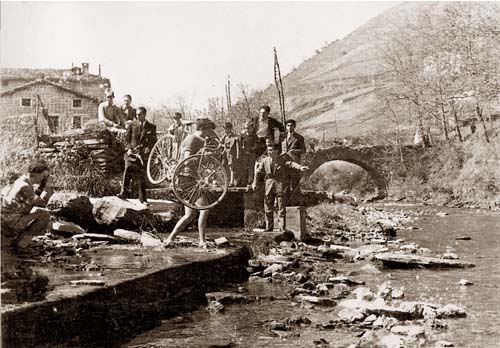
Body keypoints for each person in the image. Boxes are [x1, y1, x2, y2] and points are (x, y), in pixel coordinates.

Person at [164, 118, 215, 248]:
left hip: (189, 178)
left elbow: (197, 161)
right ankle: (202, 241)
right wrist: (201, 155)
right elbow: (186, 161)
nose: (210, 132)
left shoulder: (198, 140)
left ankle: (169, 239)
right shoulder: (192, 140)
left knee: (190, 214)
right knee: (204, 208)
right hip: (185, 178)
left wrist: (204, 157)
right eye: (209, 129)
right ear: (203, 128)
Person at [251, 140, 308, 232]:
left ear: (276, 151)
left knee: (281, 208)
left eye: (271, 150)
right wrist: (255, 183)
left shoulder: (282, 159)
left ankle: (282, 228)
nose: (269, 152)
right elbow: (258, 173)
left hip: (280, 185)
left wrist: (300, 167)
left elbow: (291, 164)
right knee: (268, 207)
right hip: (268, 185)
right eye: (268, 150)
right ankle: (268, 228)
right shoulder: (265, 160)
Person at [1, 161, 54, 252]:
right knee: (44, 215)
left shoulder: (20, 181)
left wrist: (41, 187)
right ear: (36, 174)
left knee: (35, 210)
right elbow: (43, 203)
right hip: (10, 223)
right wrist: (47, 187)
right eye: (44, 176)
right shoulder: (25, 187)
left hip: (5, 218)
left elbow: (33, 197)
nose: (44, 178)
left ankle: (15, 239)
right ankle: (21, 245)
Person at [118, 107, 157, 204]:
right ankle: (124, 192)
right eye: (137, 114)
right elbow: (126, 138)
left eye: (140, 114)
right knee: (128, 170)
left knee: (142, 176)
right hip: (131, 153)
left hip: (143, 155)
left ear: (144, 114)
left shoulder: (151, 127)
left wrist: (148, 148)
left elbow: (154, 142)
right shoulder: (132, 124)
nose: (138, 116)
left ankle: (142, 198)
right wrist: (129, 148)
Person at [281, 119, 307, 203]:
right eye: (288, 126)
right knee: (285, 184)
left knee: (295, 184)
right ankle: (286, 203)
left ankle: (296, 204)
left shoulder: (299, 138)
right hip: (284, 164)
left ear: (294, 126)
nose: (289, 127)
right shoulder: (282, 137)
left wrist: (295, 151)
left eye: (291, 125)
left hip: (295, 164)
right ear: (286, 127)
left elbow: (303, 150)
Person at [221, 122, 240, 186]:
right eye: (224, 129)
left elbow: (237, 147)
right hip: (225, 154)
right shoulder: (224, 137)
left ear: (230, 129)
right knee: (223, 166)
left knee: (232, 167)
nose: (225, 130)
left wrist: (237, 154)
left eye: (226, 128)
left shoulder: (234, 137)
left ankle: (231, 182)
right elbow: (221, 143)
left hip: (231, 154)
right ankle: (226, 181)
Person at [240, 119, 258, 186]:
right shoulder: (243, 136)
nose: (247, 129)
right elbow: (241, 144)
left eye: (248, 128)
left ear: (252, 128)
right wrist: (243, 149)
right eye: (245, 128)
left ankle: (251, 181)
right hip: (244, 154)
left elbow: (256, 145)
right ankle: (244, 181)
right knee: (244, 167)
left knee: (251, 167)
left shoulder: (254, 136)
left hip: (251, 153)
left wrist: (251, 149)